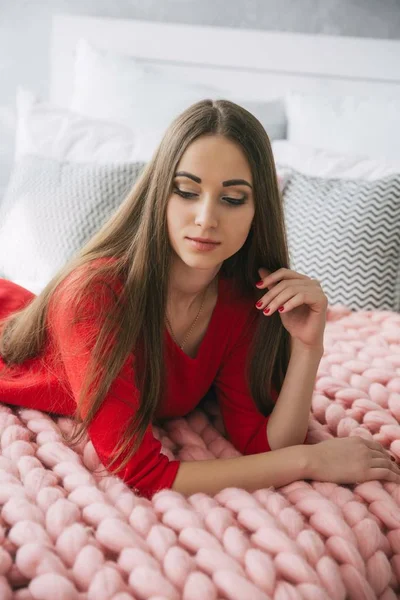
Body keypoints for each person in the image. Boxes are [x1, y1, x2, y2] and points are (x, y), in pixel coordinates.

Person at [1, 99, 399, 500]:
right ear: (160, 195)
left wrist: (308, 347)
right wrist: (310, 461)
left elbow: (264, 445)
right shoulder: (95, 296)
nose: (206, 218)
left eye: (232, 199)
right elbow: (140, 471)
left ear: (258, 210)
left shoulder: (243, 302)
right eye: (187, 191)